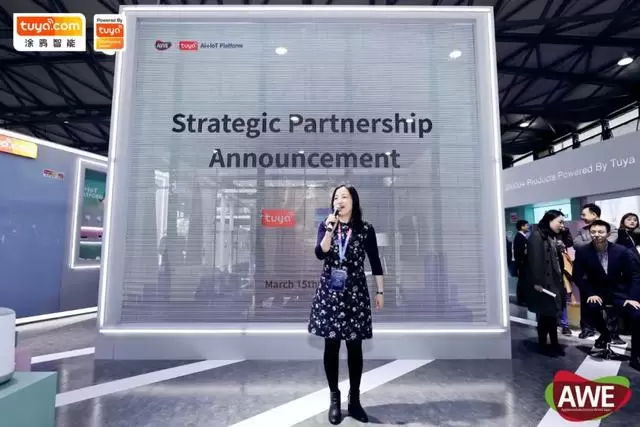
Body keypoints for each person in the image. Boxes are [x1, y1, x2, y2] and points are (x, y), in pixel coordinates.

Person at [309, 185, 384, 425]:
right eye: (336, 197)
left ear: (353, 201)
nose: (339, 200)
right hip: (330, 294)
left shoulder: (365, 229)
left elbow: (375, 261)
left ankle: (354, 401)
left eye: (344, 196)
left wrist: (380, 291)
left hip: (355, 294)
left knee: (355, 348)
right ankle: (334, 400)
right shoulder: (326, 225)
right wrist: (329, 230)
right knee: (331, 347)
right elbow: (320, 253)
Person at [573, 220, 629, 350]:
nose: (596, 235)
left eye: (600, 232)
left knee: (631, 310)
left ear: (608, 233)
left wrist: (628, 294)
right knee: (591, 307)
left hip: (616, 290)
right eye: (593, 232)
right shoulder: (582, 251)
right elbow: (577, 276)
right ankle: (605, 333)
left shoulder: (620, 251)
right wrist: (590, 292)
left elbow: (629, 274)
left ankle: (613, 335)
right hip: (595, 291)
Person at [573, 203, 617, 339]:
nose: (582, 217)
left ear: (594, 214)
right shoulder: (582, 230)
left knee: (611, 303)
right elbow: (576, 244)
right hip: (587, 273)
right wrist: (595, 243)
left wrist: (590, 244)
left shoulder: (611, 227)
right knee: (586, 301)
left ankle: (612, 332)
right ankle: (587, 328)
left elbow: (610, 242)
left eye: (584, 214)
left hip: (606, 271)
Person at [526, 210, 566, 356]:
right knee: (544, 315)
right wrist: (537, 282)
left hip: (553, 281)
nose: (562, 225)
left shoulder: (550, 236)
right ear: (549, 220)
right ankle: (543, 344)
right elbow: (534, 261)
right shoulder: (537, 236)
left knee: (551, 315)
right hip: (543, 284)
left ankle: (554, 343)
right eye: (559, 222)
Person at [622, 232, 640, 371]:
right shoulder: (629, 253)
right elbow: (624, 278)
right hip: (634, 296)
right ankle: (636, 357)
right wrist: (629, 298)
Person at [513, 220, 529, 306]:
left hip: (523, 263)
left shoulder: (522, 236)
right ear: (522, 227)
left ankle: (523, 299)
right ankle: (521, 300)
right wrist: (522, 262)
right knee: (522, 282)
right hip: (522, 264)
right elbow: (519, 252)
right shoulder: (519, 237)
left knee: (524, 281)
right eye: (526, 225)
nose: (528, 227)